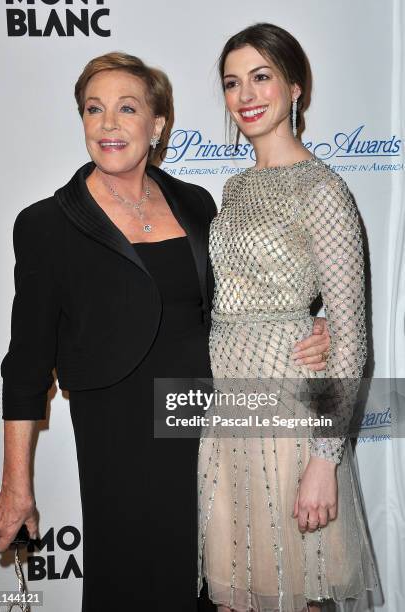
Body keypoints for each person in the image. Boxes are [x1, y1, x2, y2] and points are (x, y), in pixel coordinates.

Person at [0, 52, 329, 611]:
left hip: (210, 418)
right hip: (119, 434)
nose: (109, 124)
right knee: (134, 581)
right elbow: (25, 369)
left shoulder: (194, 204)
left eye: (127, 108)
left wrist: (315, 320)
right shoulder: (46, 225)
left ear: (158, 125)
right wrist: (15, 485)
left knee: (217, 578)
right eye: (94, 110)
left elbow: (244, 296)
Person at [198, 24, 379, 612]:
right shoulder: (233, 187)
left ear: (294, 88)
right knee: (231, 595)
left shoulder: (324, 190)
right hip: (228, 414)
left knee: (298, 595)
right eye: (232, 82)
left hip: (290, 412)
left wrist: (325, 460)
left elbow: (350, 337)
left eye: (261, 77)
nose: (245, 95)